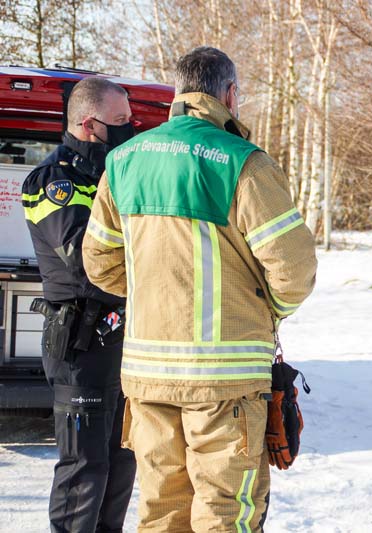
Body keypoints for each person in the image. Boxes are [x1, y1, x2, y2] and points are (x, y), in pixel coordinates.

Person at [82, 46, 317, 532]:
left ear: (179, 92)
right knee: (225, 514)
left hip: (147, 376)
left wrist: (153, 294)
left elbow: (99, 264)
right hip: (223, 380)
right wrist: (265, 310)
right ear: (229, 95)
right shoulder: (243, 163)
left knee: (161, 511)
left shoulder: (123, 161)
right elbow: (294, 270)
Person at [21, 77, 137, 533]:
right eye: (121, 120)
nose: (130, 128)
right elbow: (86, 259)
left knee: (121, 463)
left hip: (123, 341)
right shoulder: (53, 180)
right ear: (90, 124)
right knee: (84, 471)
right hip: (80, 345)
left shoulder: (119, 176)